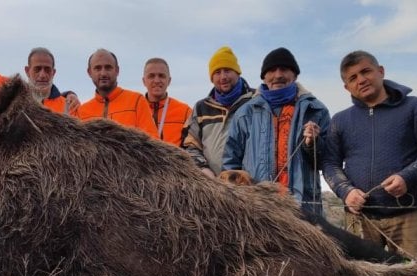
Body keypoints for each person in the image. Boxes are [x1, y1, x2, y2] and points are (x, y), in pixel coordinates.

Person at [323, 50, 417, 259]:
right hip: (360, 219)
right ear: (347, 87)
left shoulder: (415, 107)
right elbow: (330, 163)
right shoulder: (340, 120)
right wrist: (346, 192)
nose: (361, 80)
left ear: (380, 71)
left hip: (408, 215)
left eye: (366, 71)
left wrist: (407, 177)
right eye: (353, 78)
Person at [222, 48, 329, 215]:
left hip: (303, 208)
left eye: (284, 69)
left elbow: (327, 162)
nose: (278, 75)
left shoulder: (315, 110)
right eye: (271, 70)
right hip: (255, 209)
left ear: (295, 75)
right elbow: (230, 163)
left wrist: (313, 144)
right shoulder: (245, 113)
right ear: (264, 77)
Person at [183, 46, 255, 177]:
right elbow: (191, 145)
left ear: (237, 72)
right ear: (211, 78)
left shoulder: (255, 101)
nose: (223, 77)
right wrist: (203, 170)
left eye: (227, 70)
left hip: (251, 185)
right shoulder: (201, 107)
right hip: (213, 186)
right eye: (217, 72)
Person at [76, 48, 157, 138]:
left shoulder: (136, 101)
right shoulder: (82, 111)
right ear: (89, 72)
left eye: (108, 67)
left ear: (117, 70)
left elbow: (153, 143)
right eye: (97, 68)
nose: (103, 73)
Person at [141, 57, 192, 146]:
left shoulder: (185, 112)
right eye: (151, 76)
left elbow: (192, 146)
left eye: (161, 76)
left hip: (174, 160)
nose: (157, 80)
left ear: (169, 80)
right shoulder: (135, 109)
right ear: (144, 81)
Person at [24, 47, 80, 115]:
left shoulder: (70, 106)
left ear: (53, 72)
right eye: (37, 69)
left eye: (47, 69)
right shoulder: (14, 104)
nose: (42, 75)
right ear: (27, 71)